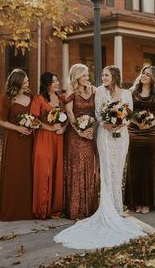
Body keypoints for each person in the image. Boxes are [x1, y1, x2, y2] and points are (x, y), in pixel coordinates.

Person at [54, 65, 145, 249]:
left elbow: (129, 114)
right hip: (104, 136)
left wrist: (120, 123)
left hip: (121, 137)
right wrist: (107, 124)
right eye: (102, 75)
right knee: (105, 171)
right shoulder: (99, 92)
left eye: (106, 75)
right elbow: (97, 114)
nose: (102, 78)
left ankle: (118, 209)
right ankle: (107, 208)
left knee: (118, 171)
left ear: (115, 77)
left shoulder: (126, 93)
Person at [124, 65, 155, 214]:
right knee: (134, 166)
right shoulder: (132, 92)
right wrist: (137, 123)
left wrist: (148, 124)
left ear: (153, 78)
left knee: (149, 167)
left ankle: (147, 202)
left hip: (151, 134)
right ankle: (134, 202)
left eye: (148, 74)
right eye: (143, 73)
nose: (144, 76)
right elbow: (126, 111)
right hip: (134, 132)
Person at [63, 63, 99, 220]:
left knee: (89, 167)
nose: (87, 78)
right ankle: (76, 209)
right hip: (75, 135)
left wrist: (92, 127)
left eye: (87, 75)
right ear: (76, 76)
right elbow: (69, 112)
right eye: (84, 75)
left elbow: (99, 111)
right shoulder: (71, 90)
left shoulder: (93, 90)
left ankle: (90, 208)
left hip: (90, 133)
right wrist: (79, 131)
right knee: (77, 168)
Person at [30, 72, 67, 219]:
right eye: (53, 81)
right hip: (44, 138)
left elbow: (68, 118)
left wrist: (63, 129)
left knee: (56, 170)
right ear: (46, 84)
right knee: (44, 171)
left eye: (57, 80)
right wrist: (49, 127)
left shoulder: (62, 99)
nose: (57, 83)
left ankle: (55, 208)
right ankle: (42, 209)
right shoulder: (38, 99)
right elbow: (33, 119)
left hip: (59, 138)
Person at [0, 69, 33, 221]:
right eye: (25, 81)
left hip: (29, 140)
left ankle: (26, 209)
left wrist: (32, 125)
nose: (27, 83)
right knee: (14, 172)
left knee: (27, 172)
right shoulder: (6, 98)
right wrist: (18, 128)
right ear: (17, 82)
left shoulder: (29, 96)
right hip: (13, 140)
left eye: (27, 81)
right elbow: (1, 120)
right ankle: (12, 210)